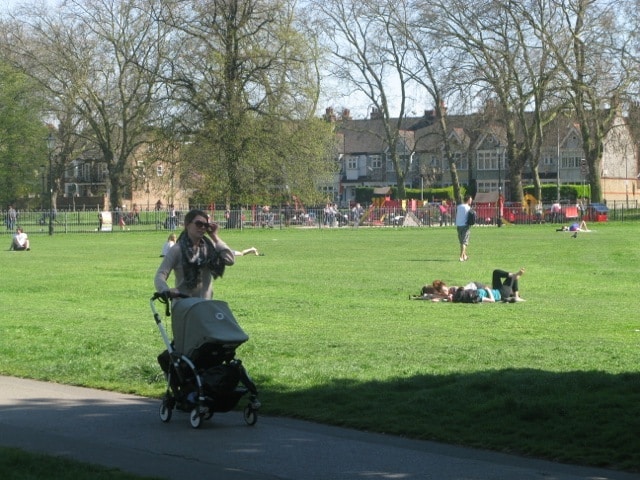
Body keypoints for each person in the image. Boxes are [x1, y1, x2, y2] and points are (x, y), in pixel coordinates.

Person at [154, 209, 235, 300]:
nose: (203, 228)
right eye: (199, 224)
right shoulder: (177, 249)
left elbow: (230, 260)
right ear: (187, 225)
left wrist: (214, 237)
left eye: (206, 225)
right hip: (184, 305)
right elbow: (160, 274)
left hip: (205, 305)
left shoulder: (209, 248)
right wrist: (165, 290)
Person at [455, 195, 473, 262]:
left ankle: (465, 256)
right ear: (468, 200)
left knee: (461, 242)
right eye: (470, 200)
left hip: (458, 225)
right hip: (465, 226)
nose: (471, 201)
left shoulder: (459, 206)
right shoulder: (468, 208)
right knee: (464, 242)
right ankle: (461, 256)